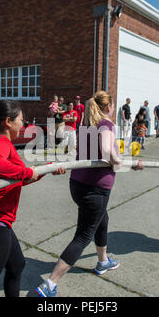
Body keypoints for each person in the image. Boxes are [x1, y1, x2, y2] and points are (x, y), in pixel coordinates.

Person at [34, 91, 144, 297]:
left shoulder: (85, 125)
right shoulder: (107, 125)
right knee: (83, 235)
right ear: (109, 107)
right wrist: (119, 161)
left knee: (102, 219)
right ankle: (50, 283)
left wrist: (126, 164)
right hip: (95, 189)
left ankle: (103, 262)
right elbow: (105, 150)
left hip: (78, 184)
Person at [0, 100, 66, 297]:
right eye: (22, 120)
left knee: (17, 265)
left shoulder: (4, 144)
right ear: (8, 122)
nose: (24, 124)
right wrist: (26, 171)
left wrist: (45, 170)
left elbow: (18, 179)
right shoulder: (1, 143)